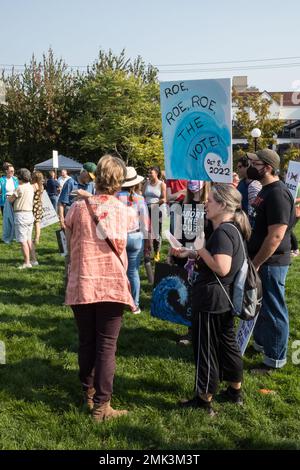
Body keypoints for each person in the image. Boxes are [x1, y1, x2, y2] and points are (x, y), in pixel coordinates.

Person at [64, 155, 135, 422]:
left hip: (82, 281)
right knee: (106, 345)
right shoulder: (125, 211)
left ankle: (89, 393)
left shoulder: (78, 208)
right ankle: (101, 405)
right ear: (119, 181)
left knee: (86, 341)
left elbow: (69, 237)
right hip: (111, 283)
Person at [173, 184, 251, 415]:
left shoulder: (223, 233)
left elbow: (222, 267)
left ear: (224, 205)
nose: (206, 203)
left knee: (205, 349)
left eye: (211, 201)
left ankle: (204, 400)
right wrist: (192, 253)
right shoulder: (233, 228)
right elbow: (218, 259)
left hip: (211, 300)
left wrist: (200, 247)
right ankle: (234, 392)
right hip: (223, 299)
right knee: (227, 344)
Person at [247, 149, 295, 373]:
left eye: (255, 163)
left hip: (271, 262)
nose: (251, 167)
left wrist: (256, 263)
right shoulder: (265, 190)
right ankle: (263, 345)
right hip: (262, 260)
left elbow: (276, 235)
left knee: (274, 309)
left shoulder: (277, 193)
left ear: (267, 167)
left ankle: (274, 360)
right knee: (263, 308)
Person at [116, 167, 150, 314]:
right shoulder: (140, 199)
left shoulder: (115, 197)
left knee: (119, 271)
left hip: (119, 237)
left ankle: (119, 301)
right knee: (133, 272)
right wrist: (148, 242)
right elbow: (145, 222)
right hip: (136, 237)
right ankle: (134, 304)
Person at [8, 168, 38, 269]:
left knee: (22, 240)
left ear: (20, 177)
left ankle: (27, 262)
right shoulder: (31, 187)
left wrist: (8, 197)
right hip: (29, 214)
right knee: (29, 239)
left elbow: (10, 200)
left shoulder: (19, 188)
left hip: (21, 215)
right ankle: (34, 260)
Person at [57, 162, 96, 230]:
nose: (90, 179)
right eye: (89, 176)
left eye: (92, 178)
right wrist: (62, 219)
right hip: (71, 220)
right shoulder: (70, 183)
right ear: (83, 171)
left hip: (86, 221)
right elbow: (61, 202)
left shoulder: (91, 184)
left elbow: (94, 201)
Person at [143, 166, 166, 262]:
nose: (149, 174)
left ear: (156, 173)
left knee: (156, 232)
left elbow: (164, 199)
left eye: (151, 173)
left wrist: (153, 205)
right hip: (145, 210)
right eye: (148, 172)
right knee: (146, 232)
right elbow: (142, 195)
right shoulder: (146, 183)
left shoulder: (161, 184)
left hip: (156, 209)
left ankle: (157, 252)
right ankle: (147, 251)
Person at [236, 155, 262, 226]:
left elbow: (254, 210)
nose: (238, 169)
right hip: (240, 222)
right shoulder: (241, 182)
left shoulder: (255, 185)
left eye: (240, 167)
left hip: (250, 225)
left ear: (248, 166)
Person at [0, 164, 19, 243]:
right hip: (5, 202)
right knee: (7, 220)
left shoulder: (15, 179)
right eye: (11, 171)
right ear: (6, 171)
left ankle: (14, 236)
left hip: (14, 201)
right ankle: (7, 236)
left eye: (13, 171)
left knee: (15, 219)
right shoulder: (2, 180)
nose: (13, 172)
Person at [31, 171, 44, 246]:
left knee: (35, 223)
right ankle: (37, 238)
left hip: (34, 206)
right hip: (39, 205)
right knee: (37, 222)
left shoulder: (34, 185)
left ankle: (35, 239)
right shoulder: (41, 186)